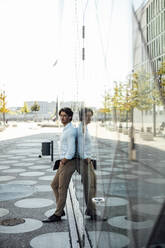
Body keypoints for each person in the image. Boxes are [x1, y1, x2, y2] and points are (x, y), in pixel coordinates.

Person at [43, 107, 76, 222]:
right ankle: (60, 210)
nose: (62, 118)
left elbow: (71, 150)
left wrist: (64, 161)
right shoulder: (66, 129)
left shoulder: (71, 131)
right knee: (54, 185)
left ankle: (57, 214)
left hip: (68, 162)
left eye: (65, 116)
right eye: (61, 115)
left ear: (70, 117)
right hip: (63, 162)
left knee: (62, 188)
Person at [77, 107, 106, 221]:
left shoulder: (85, 128)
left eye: (90, 116)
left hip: (89, 160)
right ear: (82, 116)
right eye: (88, 116)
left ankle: (91, 210)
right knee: (89, 186)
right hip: (85, 161)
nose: (90, 118)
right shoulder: (81, 129)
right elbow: (79, 146)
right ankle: (91, 211)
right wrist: (85, 158)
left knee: (92, 185)